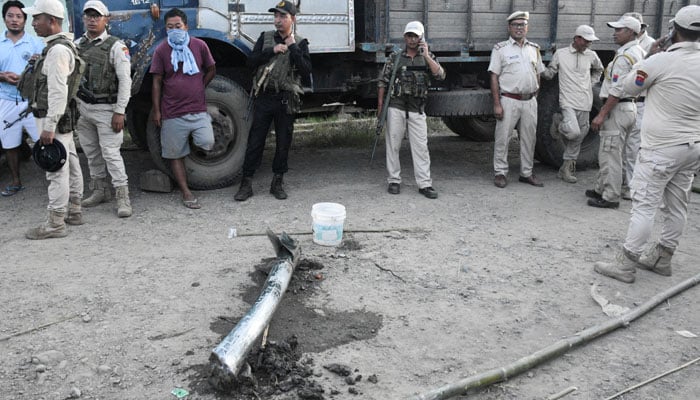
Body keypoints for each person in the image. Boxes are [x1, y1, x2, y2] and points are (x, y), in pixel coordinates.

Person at [593, 5, 700, 283]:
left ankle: (626, 263)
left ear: (673, 30)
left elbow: (627, 86)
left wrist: (651, 56)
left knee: (644, 205)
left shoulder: (660, 62)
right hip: (692, 146)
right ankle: (662, 257)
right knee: (677, 205)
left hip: (661, 147)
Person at [234, 0, 311, 201]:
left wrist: (292, 47)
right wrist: (272, 50)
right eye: (276, 16)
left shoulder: (301, 43)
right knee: (255, 141)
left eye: (283, 16)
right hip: (265, 97)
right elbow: (250, 62)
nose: (278, 20)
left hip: (286, 100)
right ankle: (246, 183)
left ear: (292, 19)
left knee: (283, 143)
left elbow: (306, 71)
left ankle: (277, 182)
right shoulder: (266, 38)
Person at [21, 0, 84, 239]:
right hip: (60, 118)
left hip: (52, 118)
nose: (33, 23)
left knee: (55, 170)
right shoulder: (59, 46)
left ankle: (56, 223)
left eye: (37, 19)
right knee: (71, 161)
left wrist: (48, 126)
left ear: (52, 21)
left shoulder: (58, 50)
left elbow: (58, 92)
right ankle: (75, 210)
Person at [150, 8, 216, 209]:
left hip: (197, 109)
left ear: (186, 26)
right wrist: (157, 110)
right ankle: (186, 192)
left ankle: (195, 135)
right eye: (170, 27)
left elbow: (211, 69)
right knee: (175, 154)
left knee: (207, 142)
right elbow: (156, 82)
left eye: (178, 26)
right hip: (172, 112)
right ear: (166, 29)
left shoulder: (199, 45)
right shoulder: (161, 50)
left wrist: (200, 86)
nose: (174, 30)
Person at [75, 0, 132, 217]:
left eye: (96, 16)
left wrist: (120, 111)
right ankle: (100, 190)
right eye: (88, 15)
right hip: (84, 107)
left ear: (105, 19)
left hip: (107, 109)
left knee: (111, 154)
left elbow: (125, 80)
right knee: (91, 152)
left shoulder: (116, 46)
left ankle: (122, 197)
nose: (92, 19)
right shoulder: (78, 44)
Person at [377, 21, 445, 199]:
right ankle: (394, 180)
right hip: (396, 106)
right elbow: (382, 82)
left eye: (415, 36)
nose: (412, 39)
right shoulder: (396, 57)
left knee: (421, 147)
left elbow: (440, 75)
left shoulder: (428, 57)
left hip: (417, 108)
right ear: (404, 37)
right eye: (409, 36)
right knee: (393, 144)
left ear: (421, 38)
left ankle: (425, 184)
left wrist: (427, 56)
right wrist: (380, 107)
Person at [587, 15, 645, 209]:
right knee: (613, 151)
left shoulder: (623, 57)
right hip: (630, 107)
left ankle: (610, 196)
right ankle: (600, 187)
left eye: (619, 30)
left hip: (618, 108)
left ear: (631, 32)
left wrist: (602, 113)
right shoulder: (638, 51)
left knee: (610, 153)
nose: (615, 33)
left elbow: (617, 89)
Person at [488, 11, 546, 189]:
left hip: (529, 101)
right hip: (509, 99)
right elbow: (494, 77)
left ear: (527, 27)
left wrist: (534, 93)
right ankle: (500, 172)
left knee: (529, 138)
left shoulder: (534, 49)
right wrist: (497, 104)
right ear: (509, 27)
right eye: (516, 25)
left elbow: (538, 73)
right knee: (502, 138)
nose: (519, 28)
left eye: (522, 25)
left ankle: (526, 173)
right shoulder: (501, 49)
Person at [541, 25, 603, 184]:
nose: (589, 44)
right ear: (577, 39)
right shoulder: (560, 54)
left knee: (580, 136)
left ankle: (566, 168)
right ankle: (558, 123)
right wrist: (538, 67)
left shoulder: (591, 55)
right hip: (567, 100)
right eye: (587, 41)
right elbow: (549, 74)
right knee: (574, 132)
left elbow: (599, 70)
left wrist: (591, 84)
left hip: (585, 101)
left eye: (591, 41)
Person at [0, 0, 44, 196]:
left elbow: (45, 71)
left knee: (43, 141)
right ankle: (16, 180)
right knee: (9, 144)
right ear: (4, 18)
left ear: (25, 20)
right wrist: (2, 76)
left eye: (19, 16)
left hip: (30, 101)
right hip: (6, 101)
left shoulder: (36, 43)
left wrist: (28, 76)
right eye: (10, 16)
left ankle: (52, 180)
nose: (14, 20)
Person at [620, 12, 654, 200]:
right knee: (626, 147)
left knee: (634, 148)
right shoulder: (630, 47)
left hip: (640, 102)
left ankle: (632, 187)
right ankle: (626, 181)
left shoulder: (650, 46)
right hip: (631, 102)